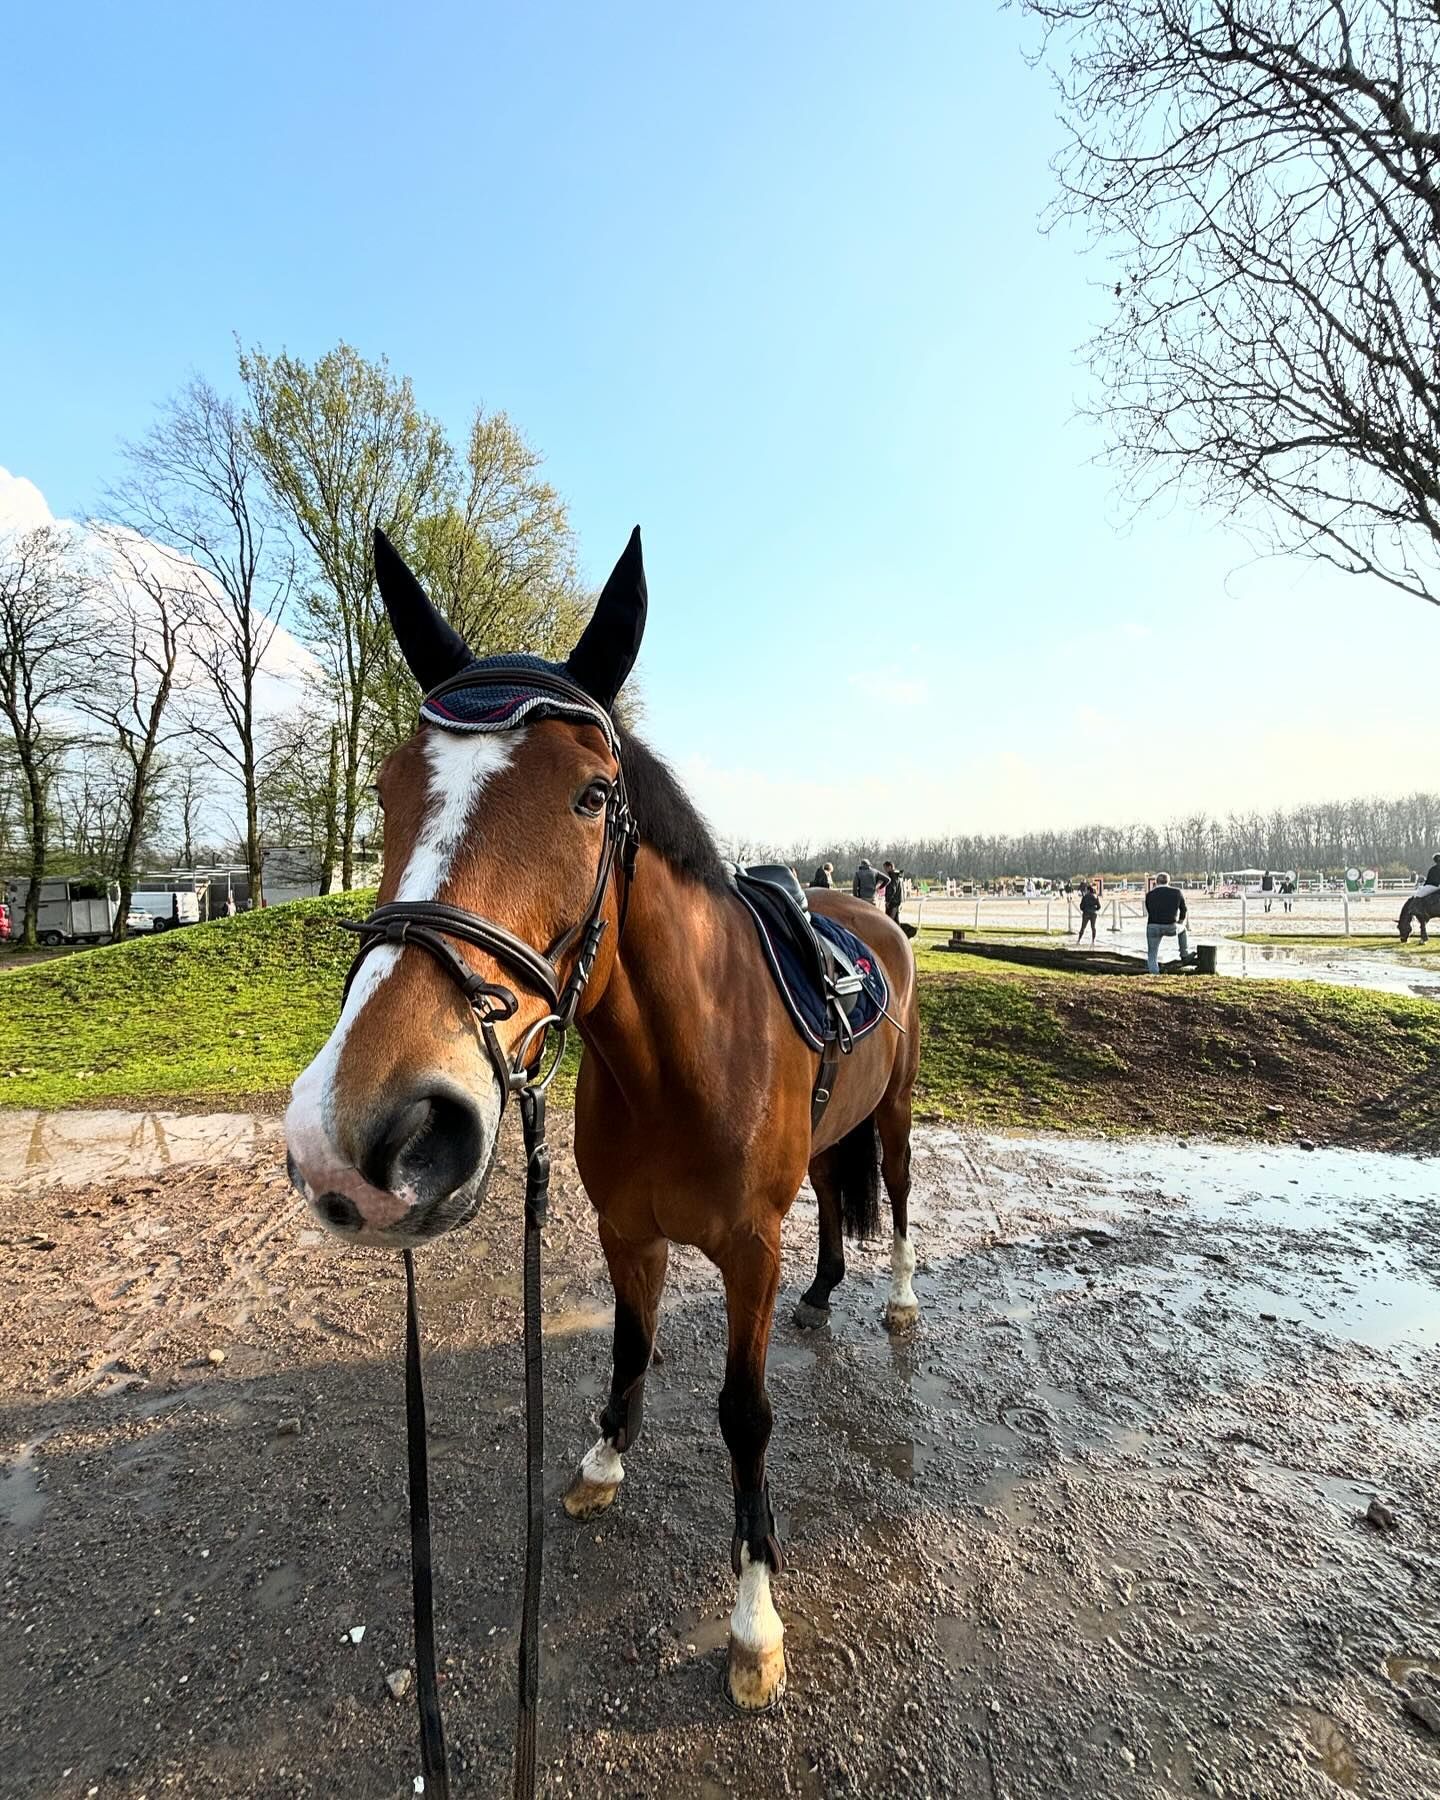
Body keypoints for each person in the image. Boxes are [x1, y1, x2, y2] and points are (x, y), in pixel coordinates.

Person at [1144, 872, 1189, 973]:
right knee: (1183, 930)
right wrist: (1180, 921)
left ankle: (1155, 974)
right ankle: (1184, 954)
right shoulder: (1177, 892)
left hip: (1153, 925)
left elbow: (1148, 909)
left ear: (1156, 882)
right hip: (1170, 925)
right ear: (1169, 881)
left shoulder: (1149, 894)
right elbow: (1184, 909)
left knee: (1152, 954)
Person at [1077, 880, 1100, 945]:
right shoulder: (1095, 896)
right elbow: (1099, 906)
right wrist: (1095, 909)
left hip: (1086, 913)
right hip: (1093, 913)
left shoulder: (1085, 897)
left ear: (1088, 890)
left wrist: (1084, 910)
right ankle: (1093, 941)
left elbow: (1081, 906)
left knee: (1083, 927)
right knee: (1093, 927)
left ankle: (1079, 940)